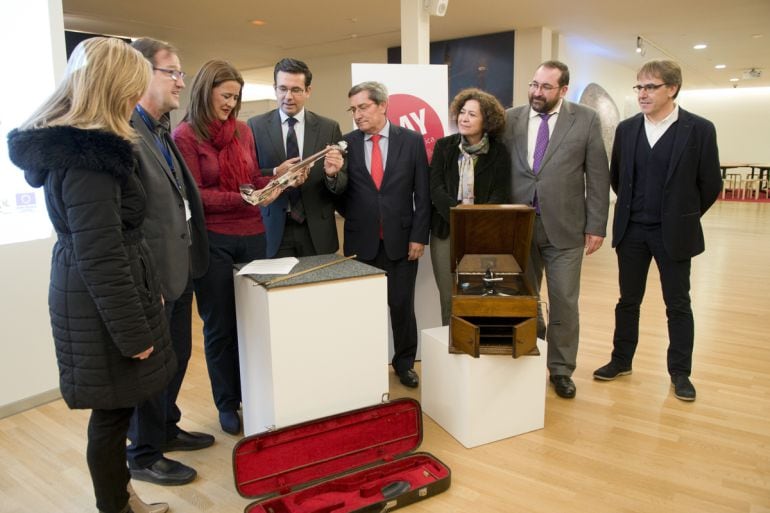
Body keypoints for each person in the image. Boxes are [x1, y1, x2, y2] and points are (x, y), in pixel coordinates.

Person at [7, 37, 174, 513]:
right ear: (117, 86)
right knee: (112, 415)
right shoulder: (89, 159)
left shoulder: (84, 149)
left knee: (115, 412)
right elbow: (101, 255)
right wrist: (133, 332)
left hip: (99, 293)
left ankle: (121, 497)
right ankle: (116, 506)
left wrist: (149, 292)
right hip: (100, 302)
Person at [593, 60, 721, 402]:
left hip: (674, 233)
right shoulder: (627, 129)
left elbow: (710, 184)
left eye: (650, 87)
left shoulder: (699, 130)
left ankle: (680, 373)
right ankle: (621, 361)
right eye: (639, 87)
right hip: (633, 230)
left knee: (678, 304)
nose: (642, 94)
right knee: (627, 301)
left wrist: (683, 216)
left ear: (672, 89)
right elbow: (618, 177)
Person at [125, 38, 214, 488]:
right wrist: (148, 278)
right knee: (153, 369)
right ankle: (143, 453)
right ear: (142, 75)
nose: (182, 80)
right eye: (172, 72)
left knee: (176, 359)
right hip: (153, 276)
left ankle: (166, 428)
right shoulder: (124, 134)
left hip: (179, 268)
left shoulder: (159, 129)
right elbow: (129, 220)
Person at [172, 60, 277, 435]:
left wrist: (276, 179)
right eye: (226, 96)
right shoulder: (185, 136)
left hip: (253, 236)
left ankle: (259, 394)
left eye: (236, 96)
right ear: (205, 92)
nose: (232, 103)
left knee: (256, 323)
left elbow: (251, 180)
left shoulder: (244, 132)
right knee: (220, 327)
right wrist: (246, 198)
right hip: (212, 240)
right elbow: (194, 196)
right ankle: (227, 403)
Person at [503, 60, 610, 399]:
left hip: (565, 228)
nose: (537, 92)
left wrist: (596, 225)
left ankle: (561, 369)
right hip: (519, 228)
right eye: (534, 84)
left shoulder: (586, 119)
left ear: (563, 90)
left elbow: (597, 176)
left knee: (564, 300)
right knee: (525, 298)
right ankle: (532, 350)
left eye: (546, 87)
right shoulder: (510, 118)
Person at [338, 81, 430, 388]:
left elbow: (423, 194)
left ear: (382, 105)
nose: (357, 115)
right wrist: (331, 175)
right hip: (360, 244)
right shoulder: (346, 143)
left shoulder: (412, 141)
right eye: (353, 109)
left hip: (402, 243)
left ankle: (404, 364)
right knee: (363, 311)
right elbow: (339, 196)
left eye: (363, 107)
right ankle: (366, 364)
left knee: (402, 307)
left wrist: (419, 237)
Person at [247, 58, 346, 258]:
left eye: (296, 90)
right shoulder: (255, 126)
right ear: (275, 89)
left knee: (319, 288)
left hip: (316, 230)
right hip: (273, 227)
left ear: (308, 91)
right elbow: (249, 175)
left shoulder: (329, 128)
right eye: (282, 89)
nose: (288, 96)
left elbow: (342, 183)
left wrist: (332, 176)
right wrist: (276, 173)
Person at [429, 88, 512, 326]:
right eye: (462, 112)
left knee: (476, 294)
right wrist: (458, 216)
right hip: (445, 229)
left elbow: (500, 193)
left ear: (487, 120)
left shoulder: (499, 152)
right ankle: (451, 348)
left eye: (472, 114)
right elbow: (436, 188)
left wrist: (476, 221)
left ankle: (474, 348)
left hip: (482, 234)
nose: (464, 118)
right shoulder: (444, 147)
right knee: (448, 296)